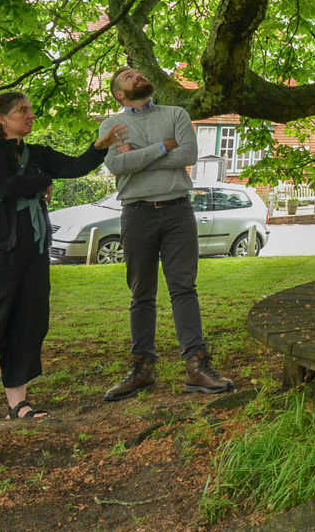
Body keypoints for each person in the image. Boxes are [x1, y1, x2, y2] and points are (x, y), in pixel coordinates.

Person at [0, 92, 128, 427]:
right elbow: (6, 186)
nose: (30, 115)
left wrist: (100, 147)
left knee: (27, 324)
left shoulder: (36, 153)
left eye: (30, 109)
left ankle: (18, 403)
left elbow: (74, 166)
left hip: (33, 255)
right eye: (22, 110)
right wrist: (43, 181)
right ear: (1, 118)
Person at [98, 67, 235, 400]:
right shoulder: (111, 126)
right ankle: (142, 369)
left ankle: (197, 367)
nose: (137, 76)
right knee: (141, 293)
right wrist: (163, 147)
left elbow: (187, 154)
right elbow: (116, 166)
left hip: (177, 211)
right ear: (119, 93)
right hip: (137, 213)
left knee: (183, 288)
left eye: (138, 73)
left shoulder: (176, 113)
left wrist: (138, 156)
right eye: (129, 77)